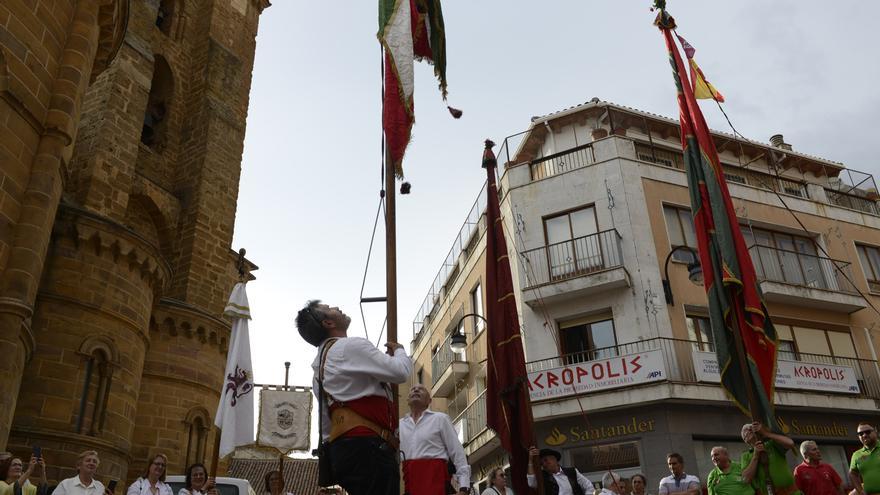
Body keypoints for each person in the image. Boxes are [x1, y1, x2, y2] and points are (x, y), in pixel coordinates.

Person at [296, 300, 412, 495]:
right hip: (369, 449)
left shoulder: (318, 369)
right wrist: (399, 350)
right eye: (329, 309)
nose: (337, 308)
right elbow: (400, 372)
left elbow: (327, 423)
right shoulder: (350, 346)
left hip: (344, 452)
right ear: (328, 323)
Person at [399, 384, 471, 495]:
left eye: (421, 389)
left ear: (429, 400)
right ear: (407, 400)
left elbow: (457, 453)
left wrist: (464, 487)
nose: (416, 389)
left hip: (438, 487)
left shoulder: (440, 419)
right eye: (412, 389)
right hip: (411, 489)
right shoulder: (399, 426)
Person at [740, 422, 800, 495]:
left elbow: (790, 443)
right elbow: (746, 479)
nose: (749, 429)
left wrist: (766, 433)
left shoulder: (772, 443)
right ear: (745, 440)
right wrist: (755, 456)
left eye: (750, 428)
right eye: (745, 431)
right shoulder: (746, 455)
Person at [527, 446, 592, 495]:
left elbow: (588, 486)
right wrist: (530, 460)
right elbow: (531, 483)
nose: (544, 464)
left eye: (546, 460)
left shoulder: (572, 472)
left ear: (554, 459)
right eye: (541, 463)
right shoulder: (543, 477)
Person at [850, 423, 880, 495]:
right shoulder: (856, 455)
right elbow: (852, 473)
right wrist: (860, 491)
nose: (864, 435)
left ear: (875, 432)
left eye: (867, 432)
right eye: (860, 434)